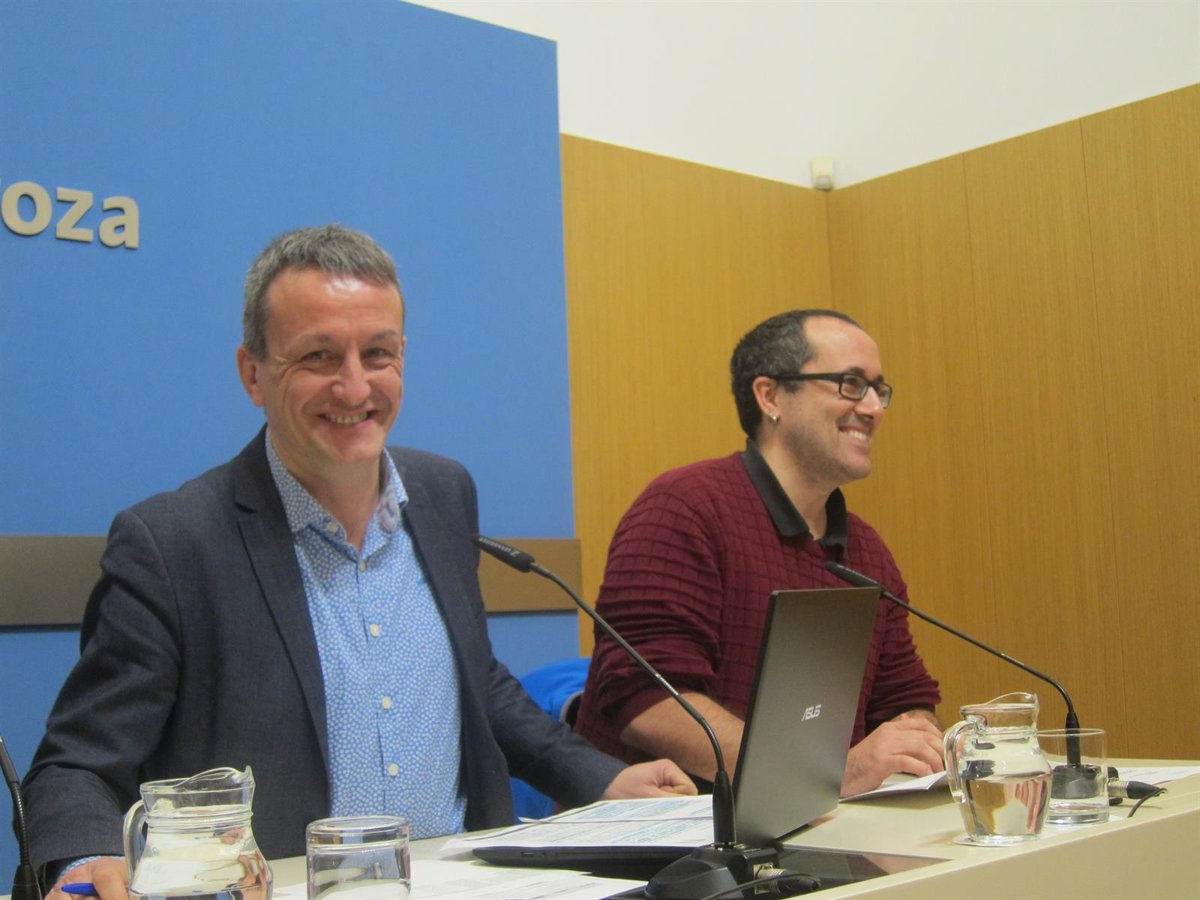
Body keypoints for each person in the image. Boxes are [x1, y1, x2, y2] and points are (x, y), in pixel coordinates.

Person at [22, 224, 693, 900]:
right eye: (318, 356)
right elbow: (78, 763)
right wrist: (83, 859)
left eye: (378, 353)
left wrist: (603, 778)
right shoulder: (173, 543)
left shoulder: (444, 493)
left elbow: (477, 682)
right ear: (253, 373)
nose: (353, 387)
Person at [574, 309, 943, 798]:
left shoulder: (866, 550)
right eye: (851, 384)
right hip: (671, 831)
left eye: (879, 389)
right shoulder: (683, 508)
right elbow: (648, 702)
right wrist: (825, 774)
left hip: (816, 823)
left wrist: (918, 745)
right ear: (770, 396)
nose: (874, 408)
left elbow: (902, 697)